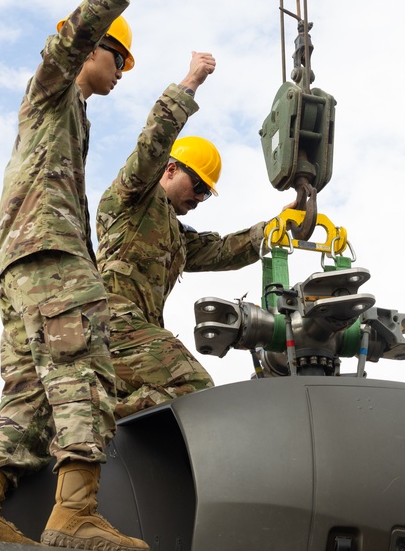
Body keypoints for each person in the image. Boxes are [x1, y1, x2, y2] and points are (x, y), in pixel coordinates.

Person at [0, 0, 151, 551]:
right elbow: (66, 41)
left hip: (20, 268)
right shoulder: (51, 89)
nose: (120, 73)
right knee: (85, 373)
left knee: (29, 393)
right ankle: (74, 514)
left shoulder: (72, 117)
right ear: (95, 49)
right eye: (120, 59)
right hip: (49, 257)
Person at [96, 52, 277, 417]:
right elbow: (152, 145)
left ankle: (92, 422)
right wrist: (190, 83)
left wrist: (276, 229)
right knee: (192, 387)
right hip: (108, 321)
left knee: (161, 406)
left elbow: (224, 250)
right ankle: (94, 418)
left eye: (206, 192)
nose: (199, 197)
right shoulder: (133, 197)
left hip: (130, 335)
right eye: (197, 185)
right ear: (170, 169)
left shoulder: (175, 237)